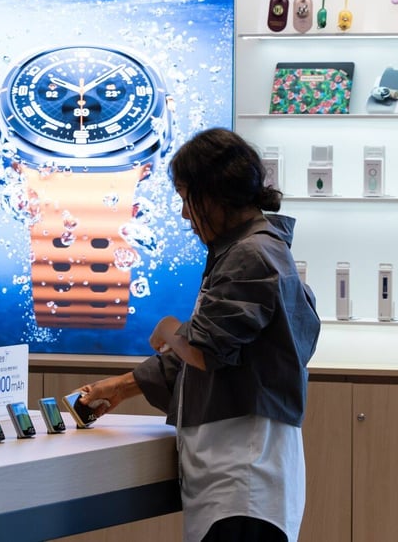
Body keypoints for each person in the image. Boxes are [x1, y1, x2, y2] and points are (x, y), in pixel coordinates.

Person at [79, 127, 320, 542]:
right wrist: (119, 388)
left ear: (214, 193)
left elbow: (204, 350)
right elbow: (202, 350)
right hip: (241, 474)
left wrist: (169, 330)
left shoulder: (250, 255)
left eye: (186, 198)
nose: (185, 215)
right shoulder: (254, 250)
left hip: (243, 476)